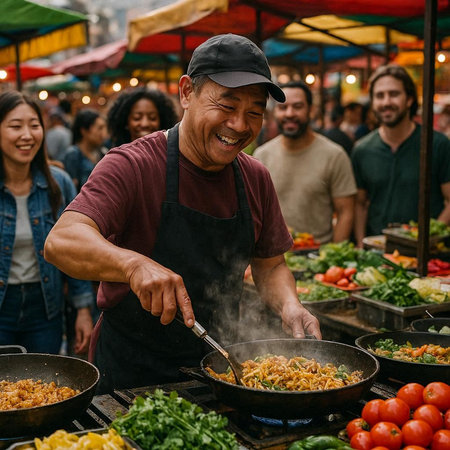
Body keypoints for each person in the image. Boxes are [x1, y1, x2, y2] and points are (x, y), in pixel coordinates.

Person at [44, 33, 321, 393]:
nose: (239, 125)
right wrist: (133, 265)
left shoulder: (255, 177)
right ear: (187, 92)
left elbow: (270, 265)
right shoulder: (132, 164)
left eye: (254, 112)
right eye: (226, 105)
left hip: (221, 368)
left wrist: (290, 305)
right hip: (130, 374)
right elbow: (61, 240)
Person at [0, 90, 94, 354]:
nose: (27, 135)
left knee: (46, 389)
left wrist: (83, 310)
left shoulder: (59, 183)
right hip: (2, 309)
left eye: (34, 125)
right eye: (15, 126)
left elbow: (77, 249)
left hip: (45, 309)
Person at [352, 64, 450, 246]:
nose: (386, 102)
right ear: (372, 102)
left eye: (394, 94)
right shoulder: (362, 149)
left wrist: (428, 239)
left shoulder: (436, 144)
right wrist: (360, 246)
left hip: (430, 258)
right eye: (379, 96)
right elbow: (360, 204)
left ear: (410, 99)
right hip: (378, 254)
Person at [253, 81, 356, 244]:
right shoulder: (261, 156)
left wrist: (332, 258)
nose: (289, 113)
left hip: (318, 255)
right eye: (283, 107)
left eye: (298, 106)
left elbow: (346, 211)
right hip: (271, 257)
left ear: (311, 110)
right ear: (275, 113)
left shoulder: (334, 155)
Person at [107, 87, 178, 148]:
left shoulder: (171, 156)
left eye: (152, 118)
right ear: (125, 122)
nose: (145, 124)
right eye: (137, 118)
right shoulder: (116, 158)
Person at [63, 109, 107, 191]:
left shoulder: (102, 152)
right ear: (84, 131)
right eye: (100, 128)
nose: (104, 133)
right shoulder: (73, 154)